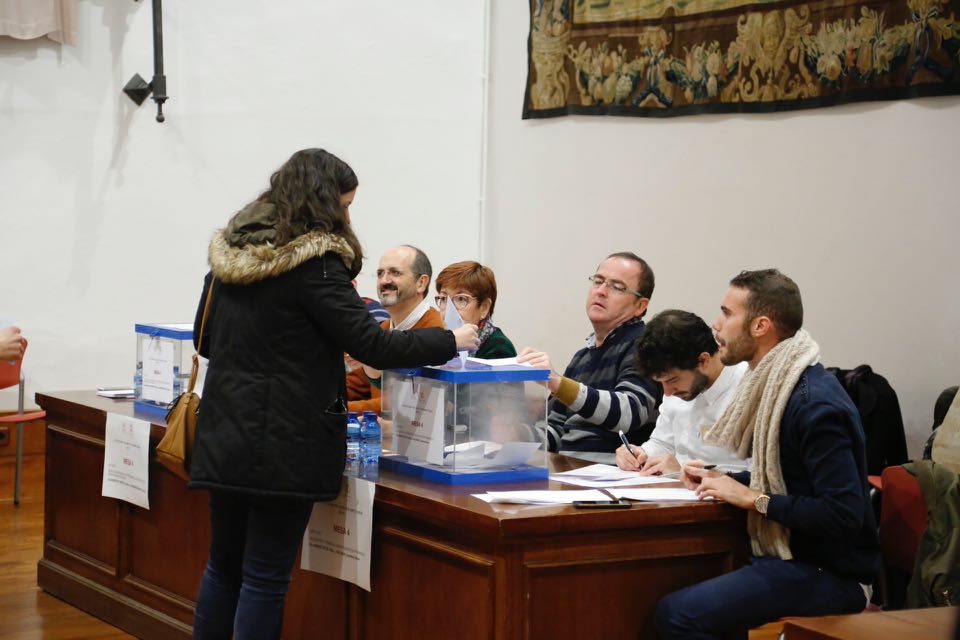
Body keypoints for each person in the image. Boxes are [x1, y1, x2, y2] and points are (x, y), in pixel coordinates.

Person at [187, 148, 479, 640]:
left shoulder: (229, 260)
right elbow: (372, 344)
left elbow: (204, 339)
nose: (348, 216)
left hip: (225, 435)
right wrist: (452, 338)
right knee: (264, 576)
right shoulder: (316, 265)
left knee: (223, 567)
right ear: (323, 203)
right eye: (345, 204)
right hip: (284, 444)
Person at [655, 269, 880, 639]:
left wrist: (752, 498)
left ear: (760, 326)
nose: (717, 324)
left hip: (831, 572)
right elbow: (789, 481)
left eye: (727, 313)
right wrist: (724, 480)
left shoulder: (814, 404)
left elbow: (843, 515)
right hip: (792, 554)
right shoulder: (778, 388)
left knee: (677, 615)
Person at [518, 252, 660, 462]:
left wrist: (558, 383)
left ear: (640, 306)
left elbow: (629, 413)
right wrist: (518, 435)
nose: (601, 291)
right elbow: (557, 431)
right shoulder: (582, 357)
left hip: (613, 479)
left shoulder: (645, 345)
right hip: (569, 473)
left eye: (617, 287)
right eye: (598, 281)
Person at [614, 309, 748, 476]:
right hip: (676, 493)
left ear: (703, 361)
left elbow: (761, 473)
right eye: (660, 382)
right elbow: (663, 443)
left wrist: (684, 472)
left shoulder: (749, 387)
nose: (667, 392)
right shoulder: (679, 390)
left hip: (727, 496)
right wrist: (640, 454)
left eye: (671, 380)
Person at [345, 245, 443, 414]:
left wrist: (340, 411)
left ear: (421, 283)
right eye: (380, 273)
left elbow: (407, 402)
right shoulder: (383, 330)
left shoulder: (436, 332)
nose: (384, 281)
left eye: (395, 273)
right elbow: (352, 385)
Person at [435, 261, 516, 359]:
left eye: (461, 299)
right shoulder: (437, 341)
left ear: (484, 308)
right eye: (444, 299)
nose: (449, 311)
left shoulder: (499, 349)